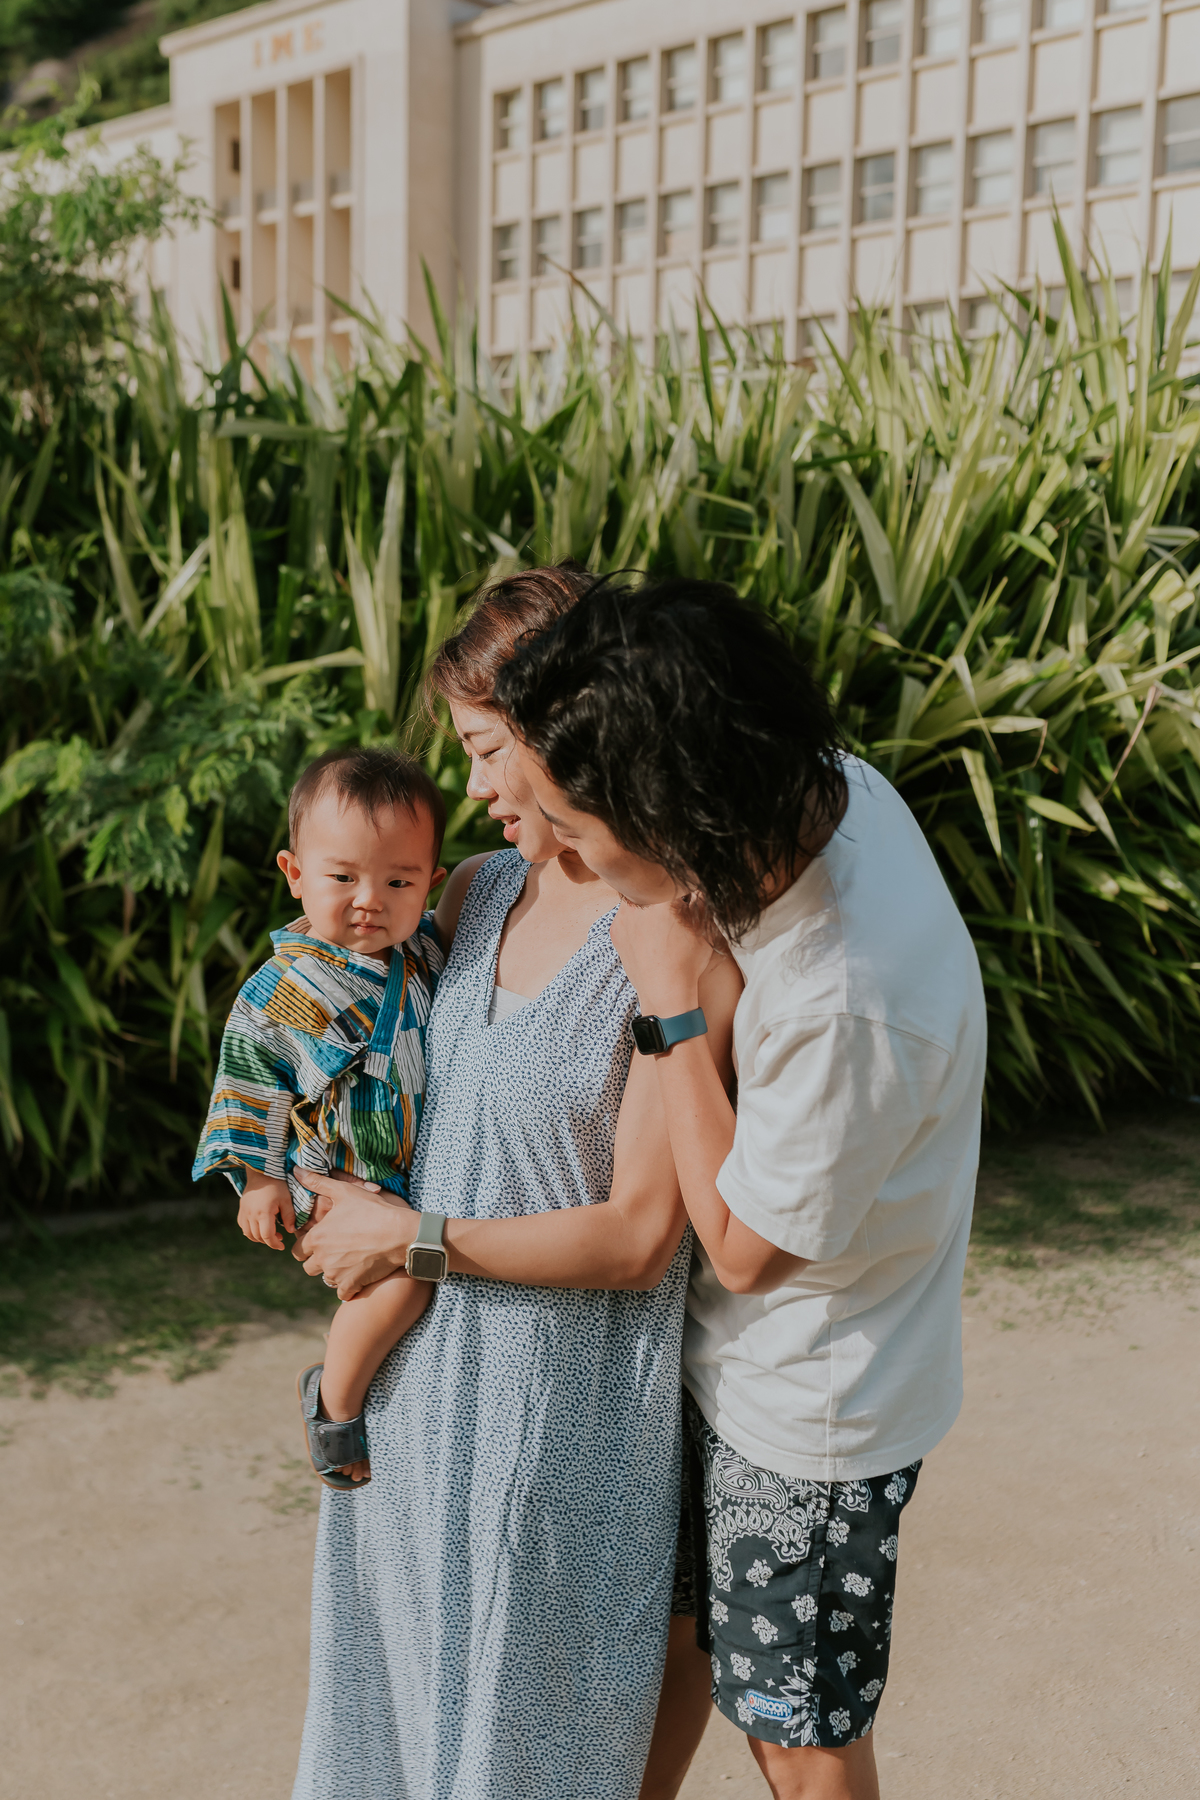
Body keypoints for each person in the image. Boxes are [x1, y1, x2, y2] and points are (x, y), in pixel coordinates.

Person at [492, 575, 988, 1800]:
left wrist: (667, 1003)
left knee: (794, 1728)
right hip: (741, 1363)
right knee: (684, 1652)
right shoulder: (823, 793)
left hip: (809, 1407)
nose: (560, 847)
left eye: (576, 822)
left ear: (667, 807)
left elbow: (743, 1244)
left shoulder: (854, 997)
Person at [287, 567, 743, 1800]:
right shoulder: (473, 895)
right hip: (413, 1412)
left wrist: (412, 1238)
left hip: (563, 1432)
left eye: (490, 751)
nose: (475, 786)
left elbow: (644, 1237)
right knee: (392, 1742)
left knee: (525, 1761)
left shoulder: (668, 930)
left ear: (567, 730)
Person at [192, 747, 447, 1489]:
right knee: (405, 1283)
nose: (370, 899)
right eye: (343, 878)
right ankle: (332, 1404)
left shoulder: (424, 951)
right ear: (294, 872)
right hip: (333, 1172)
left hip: (401, 1170)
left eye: (397, 881)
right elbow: (250, 1077)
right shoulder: (286, 987)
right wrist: (260, 1178)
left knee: (414, 1283)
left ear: (431, 884)